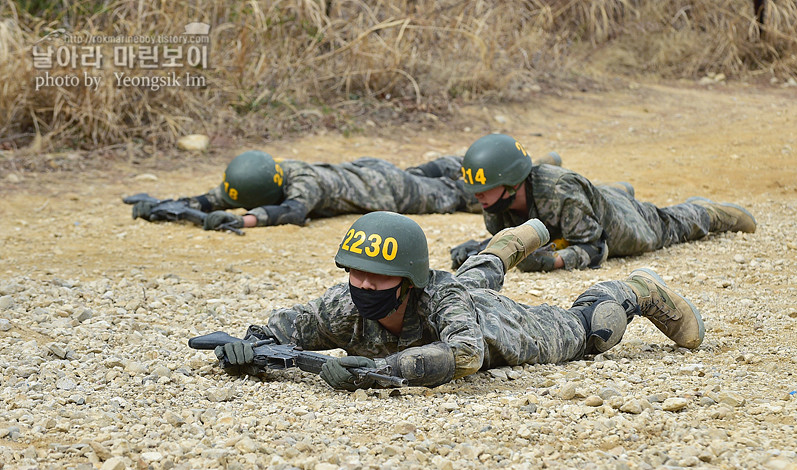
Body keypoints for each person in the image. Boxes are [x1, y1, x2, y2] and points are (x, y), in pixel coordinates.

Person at [213, 211, 705, 391]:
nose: (361, 286)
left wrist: (386, 372)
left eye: (377, 278)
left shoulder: (438, 294)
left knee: (591, 330)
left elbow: (466, 355)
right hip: (453, 293)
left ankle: (636, 289)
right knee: (475, 276)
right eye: (354, 274)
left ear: (408, 281)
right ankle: (513, 242)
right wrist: (251, 346)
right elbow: (294, 324)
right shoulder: (349, 300)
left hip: (494, 326)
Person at [449, 133, 757, 272]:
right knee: (592, 202)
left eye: (485, 189)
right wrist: (482, 248)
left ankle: (709, 212)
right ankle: (610, 192)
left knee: (663, 227)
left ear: (512, 183)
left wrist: (555, 262)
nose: (477, 196)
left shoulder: (560, 191)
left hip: (617, 225)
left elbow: (596, 248)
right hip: (581, 212)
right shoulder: (495, 205)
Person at [129, 150, 482, 230]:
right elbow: (215, 198)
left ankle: (496, 170)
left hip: (388, 188)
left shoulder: (304, 184)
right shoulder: (265, 176)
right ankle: (453, 161)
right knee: (432, 176)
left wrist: (244, 222)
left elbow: (294, 212)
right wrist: (162, 205)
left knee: (455, 195)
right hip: (367, 169)